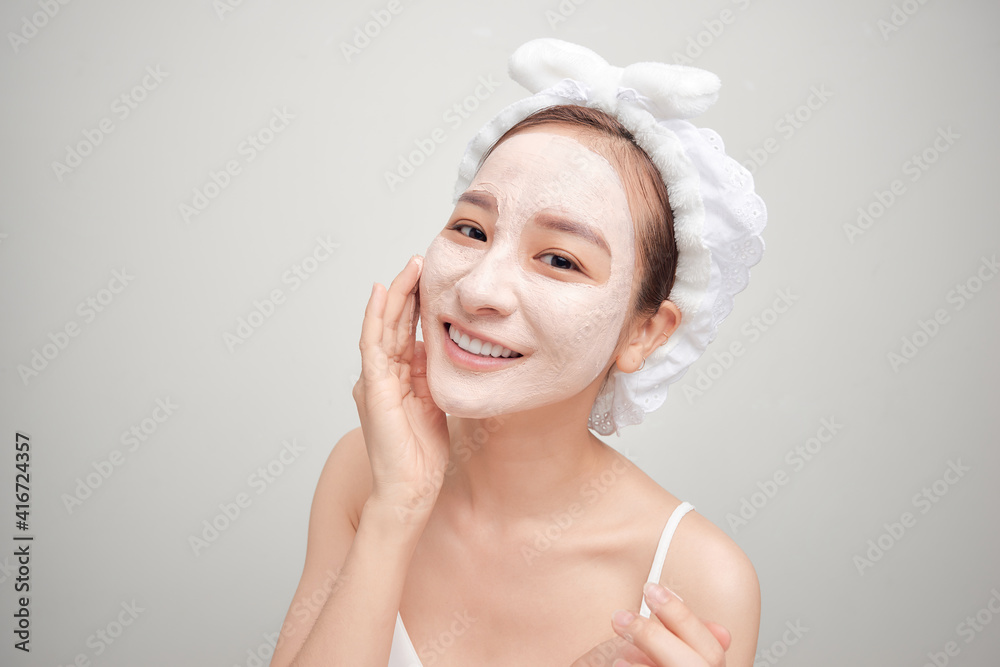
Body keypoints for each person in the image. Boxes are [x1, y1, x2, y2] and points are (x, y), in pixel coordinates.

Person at [271, 38, 767, 667]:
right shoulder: (364, 472)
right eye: (471, 230)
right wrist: (397, 509)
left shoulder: (697, 579)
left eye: (559, 259)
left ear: (645, 333)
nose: (478, 288)